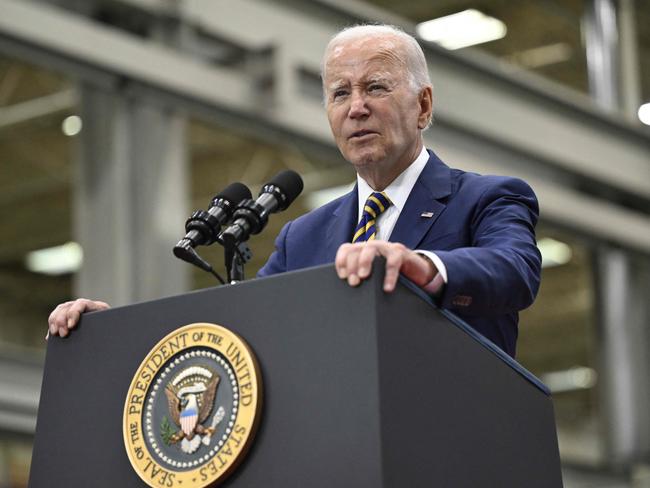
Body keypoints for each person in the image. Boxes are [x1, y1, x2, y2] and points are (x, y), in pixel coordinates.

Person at [48, 24, 541, 358]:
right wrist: (116, 336)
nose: (357, 108)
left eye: (376, 87)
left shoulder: (488, 198)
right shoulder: (301, 238)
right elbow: (240, 336)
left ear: (424, 106)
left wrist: (422, 265)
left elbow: (516, 269)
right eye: (340, 93)